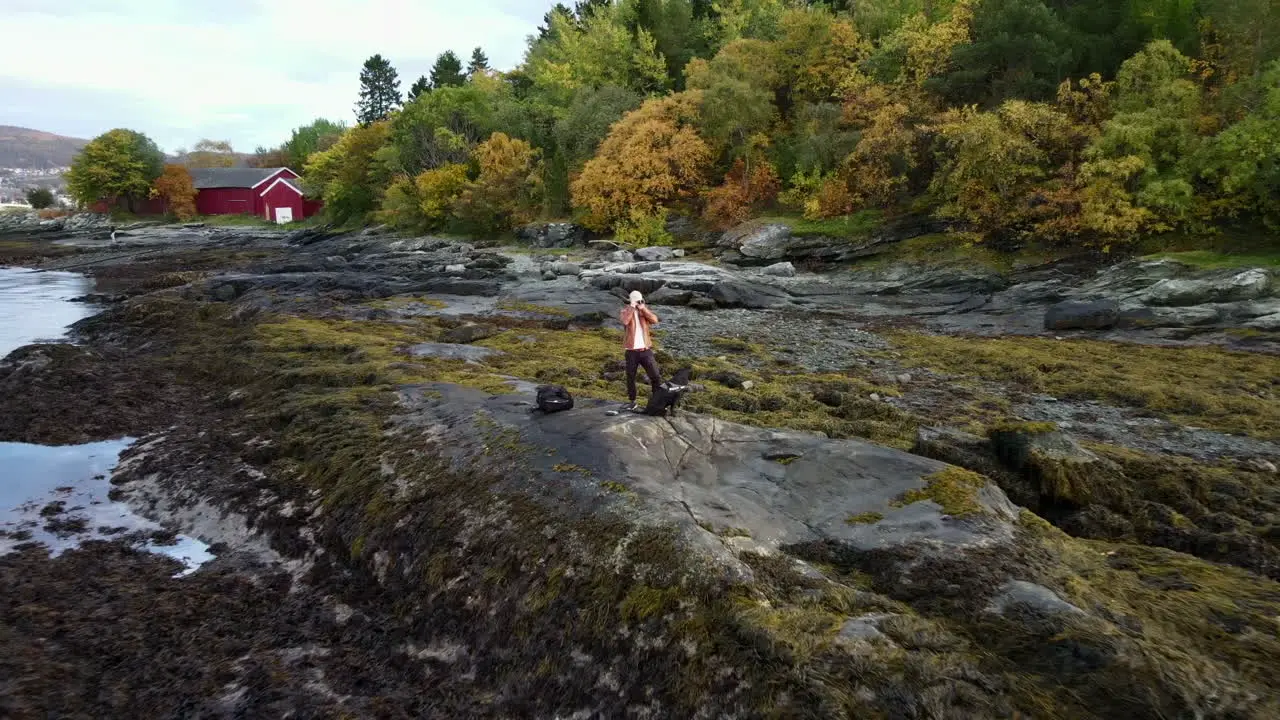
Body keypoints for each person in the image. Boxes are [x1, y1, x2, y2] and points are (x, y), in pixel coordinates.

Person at [618, 290, 662, 410]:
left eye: (640, 300)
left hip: (645, 350)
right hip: (631, 351)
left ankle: (656, 400)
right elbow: (625, 321)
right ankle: (632, 401)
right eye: (636, 300)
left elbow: (654, 320)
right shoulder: (625, 311)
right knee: (631, 377)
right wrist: (631, 307)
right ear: (632, 300)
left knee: (656, 376)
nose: (638, 302)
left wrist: (644, 309)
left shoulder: (643, 312)